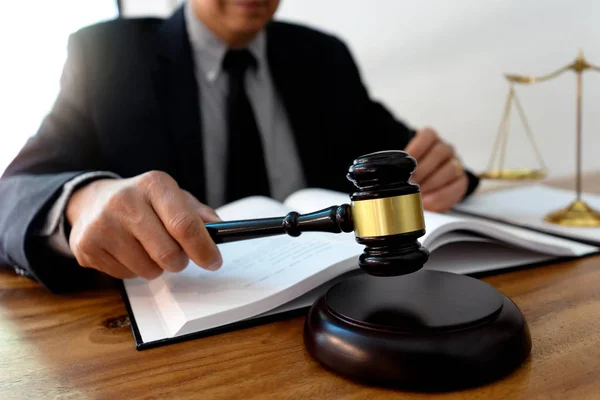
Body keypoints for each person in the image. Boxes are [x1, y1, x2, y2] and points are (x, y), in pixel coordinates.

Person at [0, 0, 479, 293]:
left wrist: (445, 171)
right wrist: (82, 200)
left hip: (335, 300)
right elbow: (13, 193)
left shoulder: (323, 57)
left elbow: (408, 157)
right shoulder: (106, 54)